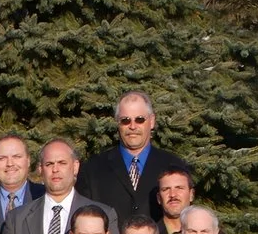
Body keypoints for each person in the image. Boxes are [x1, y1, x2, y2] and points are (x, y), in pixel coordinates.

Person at [79, 91, 192, 224]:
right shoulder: (93, 168)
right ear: (118, 123)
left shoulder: (173, 165)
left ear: (151, 121)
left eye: (139, 119)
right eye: (125, 120)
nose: (132, 126)